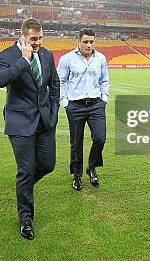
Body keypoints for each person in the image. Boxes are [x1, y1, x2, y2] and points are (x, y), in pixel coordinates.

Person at [0, 18, 60, 240]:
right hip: (20, 122)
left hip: (45, 120)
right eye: (33, 39)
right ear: (22, 36)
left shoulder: (47, 54)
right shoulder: (6, 56)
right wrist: (24, 59)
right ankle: (26, 219)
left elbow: (54, 83)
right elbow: (1, 80)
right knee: (26, 170)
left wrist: (54, 109)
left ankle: (22, 190)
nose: (38, 42)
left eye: (40, 38)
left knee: (48, 165)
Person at [57, 28, 109, 191]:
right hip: (76, 106)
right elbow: (60, 81)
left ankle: (91, 167)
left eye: (91, 41)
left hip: (95, 105)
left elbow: (104, 79)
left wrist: (104, 98)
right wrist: (64, 102)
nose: (89, 44)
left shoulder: (100, 58)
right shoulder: (67, 59)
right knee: (76, 143)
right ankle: (77, 175)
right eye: (85, 41)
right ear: (78, 41)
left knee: (100, 138)